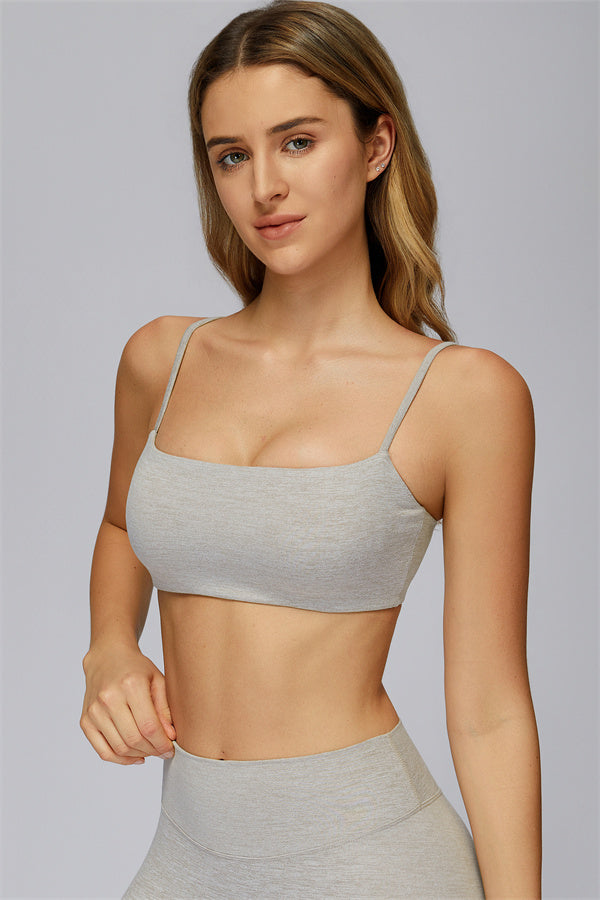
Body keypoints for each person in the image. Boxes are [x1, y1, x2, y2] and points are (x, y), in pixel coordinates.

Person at [80, 1, 542, 896]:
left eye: (297, 142)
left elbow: (490, 709)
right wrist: (108, 648)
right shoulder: (161, 361)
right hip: (187, 851)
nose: (264, 187)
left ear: (376, 146)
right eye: (231, 155)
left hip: (372, 858)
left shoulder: (463, 396)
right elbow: (121, 526)